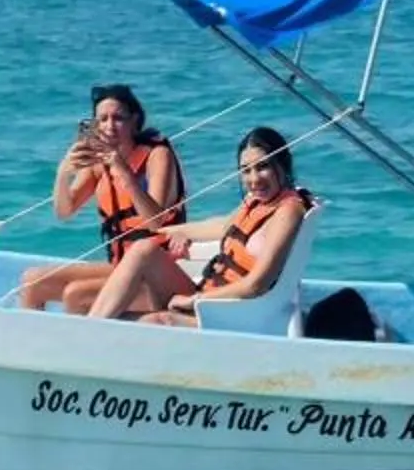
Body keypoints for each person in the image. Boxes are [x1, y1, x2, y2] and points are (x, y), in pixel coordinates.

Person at [87, 126, 313, 324]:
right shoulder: (257, 201)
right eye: (246, 170)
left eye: (263, 166)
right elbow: (222, 226)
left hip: (236, 313)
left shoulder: (287, 211)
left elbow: (255, 285)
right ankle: (92, 327)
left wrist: (193, 300)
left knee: (160, 320)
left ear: (282, 164)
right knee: (143, 249)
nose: (253, 179)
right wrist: (164, 232)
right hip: (211, 296)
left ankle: (91, 331)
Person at [17, 86, 185, 312]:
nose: (109, 126)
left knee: (76, 294)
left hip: (157, 273)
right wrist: (64, 171)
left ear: (135, 121)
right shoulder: (99, 163)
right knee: (32, 282)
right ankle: (32, 343)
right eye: (102, 119)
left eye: (118, 118)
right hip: (120, 267)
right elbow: (64, 212)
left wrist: (123, 171)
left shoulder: (156, 156)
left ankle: (82, 345)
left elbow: (155, 221)